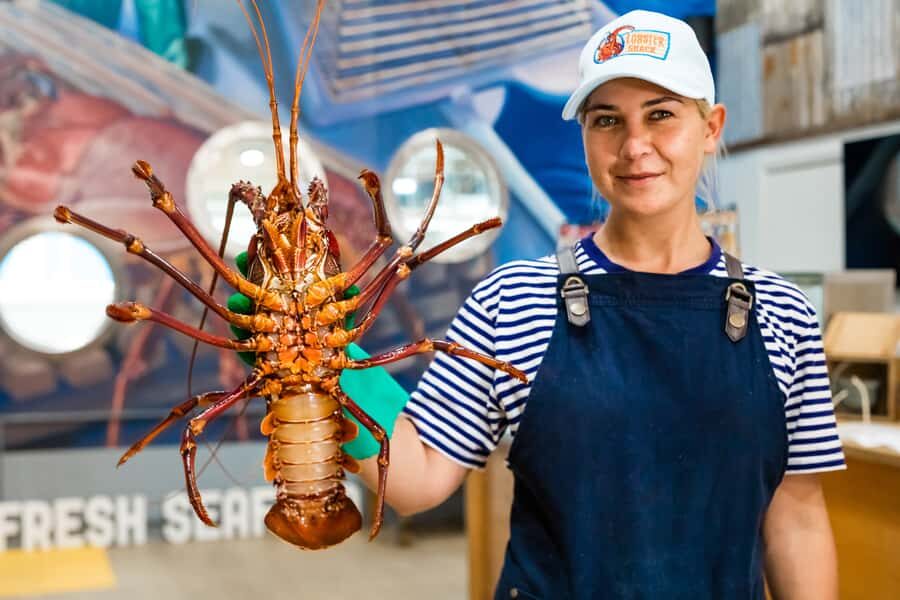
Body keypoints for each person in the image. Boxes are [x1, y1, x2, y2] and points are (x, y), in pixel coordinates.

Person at [347, 9, 845, 599]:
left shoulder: (781, 312)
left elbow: (798, 519)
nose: (635, 147)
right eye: (607, 121)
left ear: (711, 128)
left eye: (661, 115)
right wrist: (327, 374)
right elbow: (421, 474)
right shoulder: (514, 299)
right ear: (584, 136)